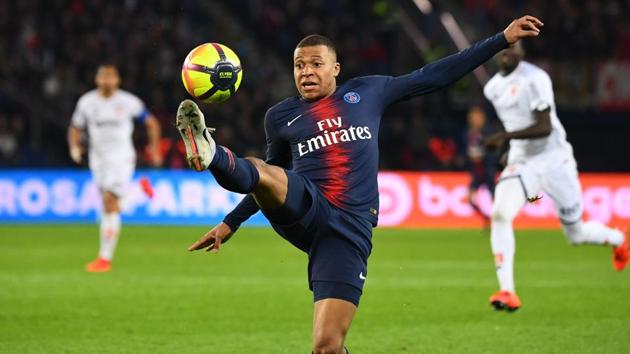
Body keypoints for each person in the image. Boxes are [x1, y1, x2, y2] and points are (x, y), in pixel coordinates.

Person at [180, 16, 543, 353]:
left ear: (335, 68)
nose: (306, 72)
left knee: (327, 345)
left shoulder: (368, 93)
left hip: (348, 230)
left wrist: (501, 39)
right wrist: (233, 221)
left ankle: (214, 156)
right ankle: (211, 154)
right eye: (299, 65)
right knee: (261, 169)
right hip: (308, 206)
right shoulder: (280, 116)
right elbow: (267, 176)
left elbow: (435, 74)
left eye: (315, 64)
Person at [483, 42, 629, 312]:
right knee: (501, 213)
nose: (507, 52)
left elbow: (544, 126)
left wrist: (505, 138)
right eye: (503, 47)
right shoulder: (491, 88)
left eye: (513, 48)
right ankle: (507, 291)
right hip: (523, 161)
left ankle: (619, 239)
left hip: (556, 161)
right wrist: (509, 148)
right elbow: (513, 122)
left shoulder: (536, 78)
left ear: (522, 52)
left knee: (576, 233)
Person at [68, 64, 162, 273]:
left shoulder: (129, 102)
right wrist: (74, 147)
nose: (107, 80)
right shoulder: (87, 102)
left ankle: (104, 259)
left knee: (109, 202)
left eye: (111, 76)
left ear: (117, 80)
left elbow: (152, 123)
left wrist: (154, 148)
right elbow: (75, 127)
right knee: (110, 206)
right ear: (97, 79)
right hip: (97, 160)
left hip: (121, 158)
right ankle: (140, 192)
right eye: (103, 76)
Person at [465, 105, 498, 222]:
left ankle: (498, 219)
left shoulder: (488, 132)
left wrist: (483, 156)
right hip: (476, 171)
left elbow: (494, 149)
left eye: (476, 117)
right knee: (470, 199)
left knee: (494, 197)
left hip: (487, 169)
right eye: (472, 117)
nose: (474, 119)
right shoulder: (468, 132)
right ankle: (486, 218)